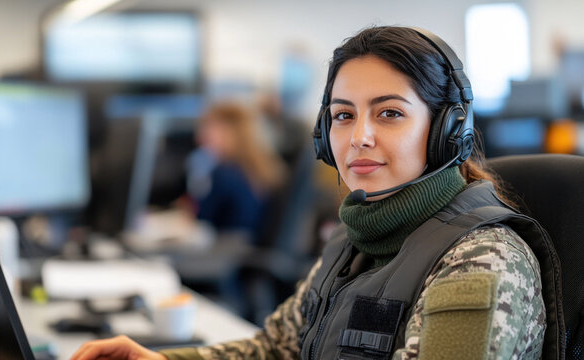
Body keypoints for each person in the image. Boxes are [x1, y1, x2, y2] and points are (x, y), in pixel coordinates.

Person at [71, 26, 557, 360]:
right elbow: (276, 349)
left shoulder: (480, 261)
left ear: (446, 131)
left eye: (389, 113)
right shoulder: (355, 237)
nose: (358, 136)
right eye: (343, 115)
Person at [184, 101, 286, 241]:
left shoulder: (224, 174)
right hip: (246, 248)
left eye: (208, 127)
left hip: (227, 252)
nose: (199, 136)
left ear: (228, 132)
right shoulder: (257, 170)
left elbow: (202, 218)